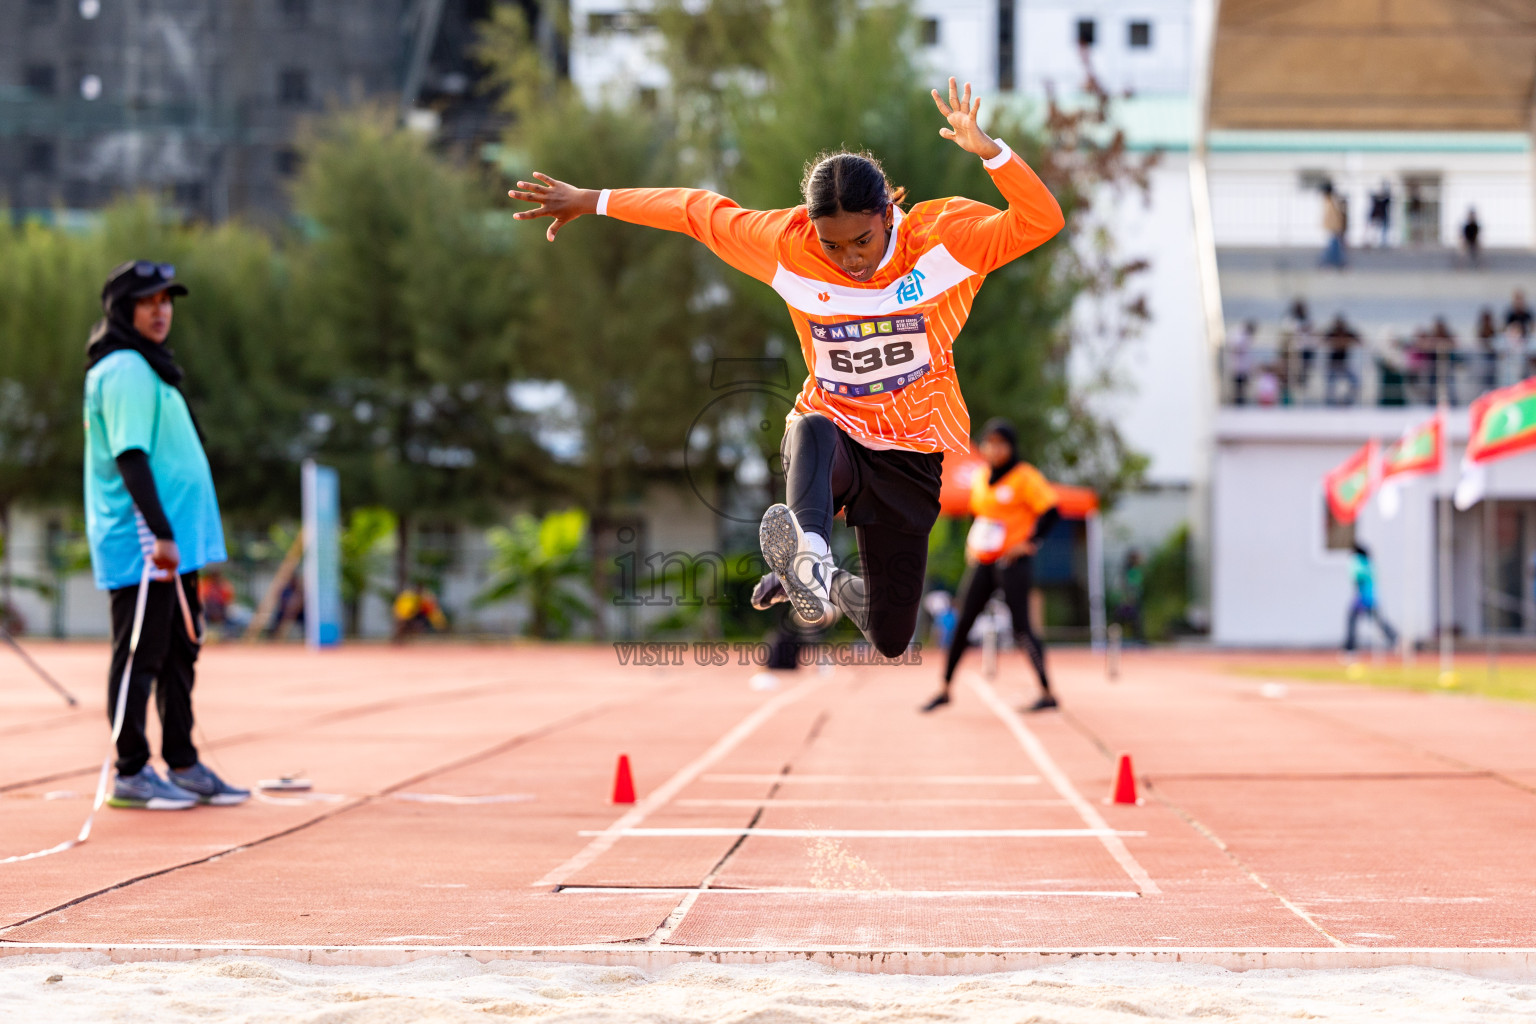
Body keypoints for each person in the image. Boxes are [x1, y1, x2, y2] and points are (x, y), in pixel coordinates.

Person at [509, 79, 1065, 658]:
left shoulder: (945, 241)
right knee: (810, 428)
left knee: (893, 637)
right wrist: (591, 199)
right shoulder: (786, 244)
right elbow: (695, 211)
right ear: (810, 227)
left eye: (863, 241)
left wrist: (992, 153)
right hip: (836, 434)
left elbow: (1041, 221)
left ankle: (828, 584)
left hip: (911, 447)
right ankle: (811, 557)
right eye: (834, 245)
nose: (850, 259)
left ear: (889, 209)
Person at [83, 261, 249, 810]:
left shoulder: (153, 368)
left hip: (175, 541)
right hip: (146, 542)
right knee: (141, 654)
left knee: (181, 651)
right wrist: (161, 532)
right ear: (123, 310)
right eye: (148, 301)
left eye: (167, 301)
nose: (161, 311)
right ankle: (131, 770)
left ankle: (182, 762)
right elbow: (130, 456)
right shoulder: (126, 367)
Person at [921, 419, 1059, 712]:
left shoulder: (1024, 477)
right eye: (989, 443)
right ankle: (944, 687)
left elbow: (1051, 511)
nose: (994, 449)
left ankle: (1047, 691)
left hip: (1012, 561)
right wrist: (974, 545)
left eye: (1001, 443)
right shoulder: (981, 476)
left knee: (1021, 626)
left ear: (1011, 446)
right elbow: (978, 516)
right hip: (984, 561)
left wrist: (1028, 543)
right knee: (962, 622)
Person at [1344, 542, 1397, 653]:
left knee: (1352, 622)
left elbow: (1357, 579)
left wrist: (1359, 597)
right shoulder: (1368, 562)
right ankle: (1394, 638)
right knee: (1379, 621)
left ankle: (1350, 648)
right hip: (1371, 597)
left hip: (1362, 598)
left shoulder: (1357, 561)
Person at [1323, 314, 1361, 405]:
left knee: (1355, 382)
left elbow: (1360, 341)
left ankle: (1348, 401)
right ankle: (1330, 403)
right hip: (1333, 364)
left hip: (1345, 364)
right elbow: (1321, 342)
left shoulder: (1347, 333)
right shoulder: (1332, 333)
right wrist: (1337, 343)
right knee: (1330, 384)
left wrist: (1345, 342)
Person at [1228, 319, 1256, 405]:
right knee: (1238, 385)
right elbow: (1235, 347)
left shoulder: (1245, 336)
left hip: (1243, 366)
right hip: (1238, 365)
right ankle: (1238, 401)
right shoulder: (1240, 335)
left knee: (1242, 385)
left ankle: (1241, 400)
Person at [1320, 182, 1347, 269]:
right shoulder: (1331, 200)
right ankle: (1334, 262)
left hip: (1334, 226)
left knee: (1334, 245)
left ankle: (1333, 262)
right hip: (1334, 226)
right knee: (1334, 245)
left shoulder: (1330, 200)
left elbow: (1334, 214)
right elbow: (1335, 214)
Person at [1367, 181, 1391, 247]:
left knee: (1381, 230)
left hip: (1381, 216)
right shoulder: (1377, 200)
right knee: (1375, 230)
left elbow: (1387, 198)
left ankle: (1381, 242)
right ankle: (1374, 241)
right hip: (1377, 216)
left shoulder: (1383, 200)